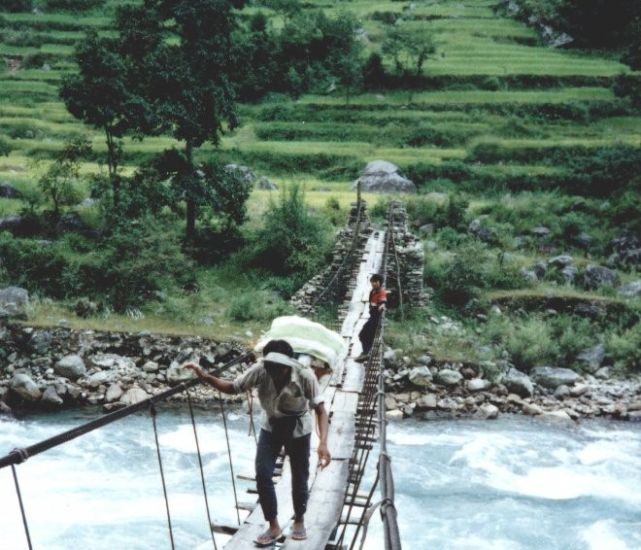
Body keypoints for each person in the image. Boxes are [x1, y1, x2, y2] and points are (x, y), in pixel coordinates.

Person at [184, 339, 331, 547]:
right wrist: (205, 377)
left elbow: (321, 410)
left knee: (300, 476)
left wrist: (323, 443)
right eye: (270, 366)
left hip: (298, 430)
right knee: (262, 474)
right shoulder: (260, 370)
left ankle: (299, 519)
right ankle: (273, 525)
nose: (273, 371)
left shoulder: (305, 375)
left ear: (288, 364)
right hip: (270, 426)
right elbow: (233, 387)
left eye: (278, 367)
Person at [355, 274, 387, 362]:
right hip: (372, 317)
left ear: (380, 282)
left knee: (365, 335)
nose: (374, 283)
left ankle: (366, 353)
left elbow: (383, 300)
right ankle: (365, 352)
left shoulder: (381, 292)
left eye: (376, 282)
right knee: (363, 335)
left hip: (376, 319)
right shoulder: (372, 291)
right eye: (372, 282)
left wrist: (382, 306)